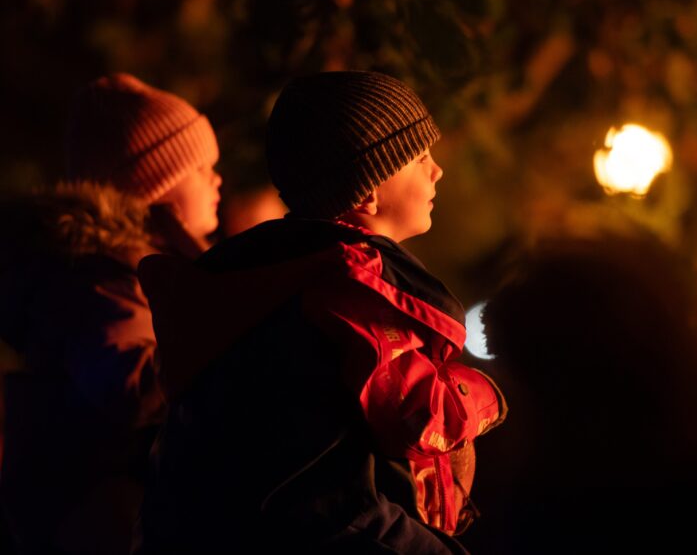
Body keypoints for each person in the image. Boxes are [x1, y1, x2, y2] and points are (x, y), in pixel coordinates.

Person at [135, 71, 506, 554]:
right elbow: (408, 422)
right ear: (368, 191)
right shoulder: (343, 297)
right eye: (419, 157)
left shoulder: (281, 275)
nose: (437, 171)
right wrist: (491, 396)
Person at [0, 73, 222, 554]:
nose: (217, 181)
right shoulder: (104, 277)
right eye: (203, 169)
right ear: (156, 186)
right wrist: (223, 354)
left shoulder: (136, 268)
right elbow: (129, 392)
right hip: (96, 508)